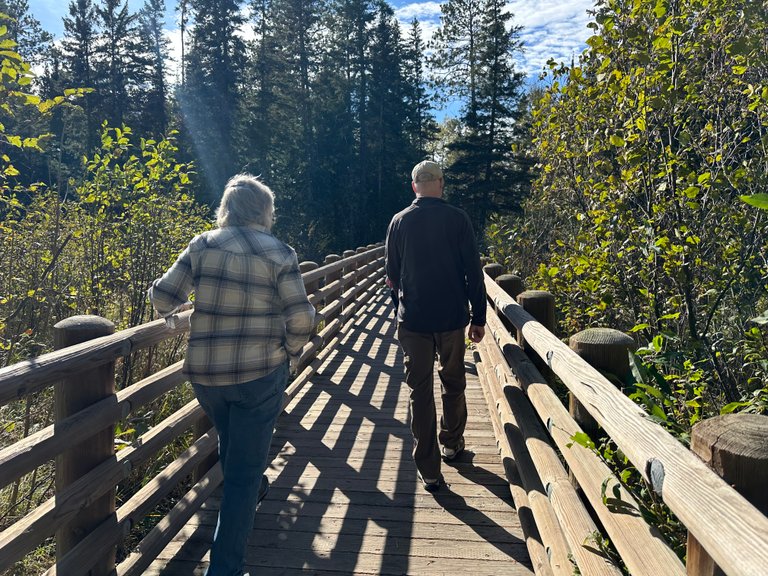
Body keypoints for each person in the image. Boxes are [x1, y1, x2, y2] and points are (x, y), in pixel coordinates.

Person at [149, 174, 315, 576]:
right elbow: (301, 317)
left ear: (226, 209)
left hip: (207, 374)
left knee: (234, 446)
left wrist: (179, 305)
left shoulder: (202, 244)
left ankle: (253, 483)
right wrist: (291, 354)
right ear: (265, 211)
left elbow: (164, 298)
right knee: (241, 477)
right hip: (260, 373)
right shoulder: (280, 253)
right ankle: (225, 569)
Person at [385, 160, 486, 492]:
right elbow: (473, 272)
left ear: (414, 186)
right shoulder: (458, 219)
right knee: (453, 381)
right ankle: (451, 444)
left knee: (420, 392)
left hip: (413, 320)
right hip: (452, 318)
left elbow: (392, 275)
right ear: (441, 184)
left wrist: (402, 305)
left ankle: (429, 470)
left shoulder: (399, 221)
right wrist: (479, 317)